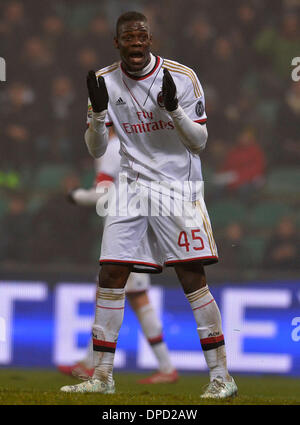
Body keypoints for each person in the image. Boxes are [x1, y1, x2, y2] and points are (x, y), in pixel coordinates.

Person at [60, 11, 237, 399]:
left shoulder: (182, 77)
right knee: (110, 275)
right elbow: (97, 149)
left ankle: (222, 376)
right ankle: (102, 377)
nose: (136, 43)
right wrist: (98, 115)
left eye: (142, 36)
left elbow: (200, 143)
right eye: (128, 37)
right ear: (117, 42)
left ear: (150, 40)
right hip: (132, 186)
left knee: (192, 278)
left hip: (177, 189)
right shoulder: (104, 82)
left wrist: (174, 110)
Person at [58, 127, 178, 384]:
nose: (90, 126)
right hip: (142, 225)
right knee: (130, 297)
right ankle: (163, 367)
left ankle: (94, 364)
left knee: (111, 294)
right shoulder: (134, 143)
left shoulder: (112, 148)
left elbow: (104, 194)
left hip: (127, 232)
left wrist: (75, 196)